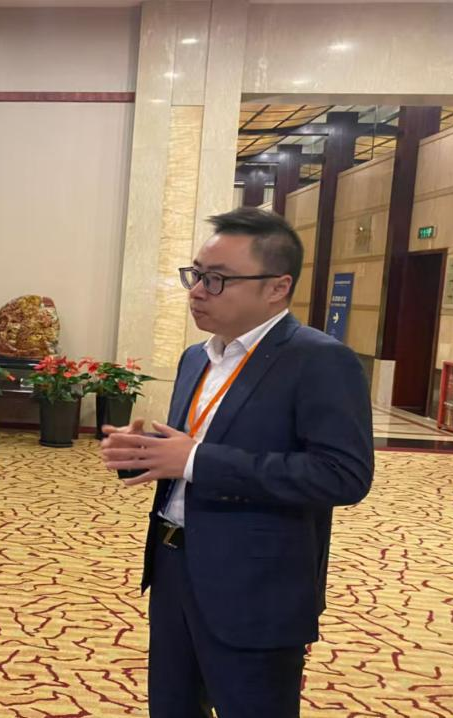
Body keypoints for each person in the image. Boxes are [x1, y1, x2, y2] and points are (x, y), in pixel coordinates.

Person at [100, 207, 374, 717]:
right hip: (175, 565)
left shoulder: (319, 360)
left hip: (256, 582)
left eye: (218, 279)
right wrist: (144, 453)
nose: (197, 291)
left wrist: (196, 459)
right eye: (196, 275)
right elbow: (197, 448)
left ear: (277, 287)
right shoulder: (197, 357)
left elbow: (343, 475)